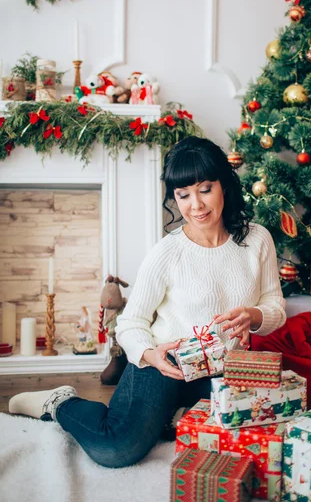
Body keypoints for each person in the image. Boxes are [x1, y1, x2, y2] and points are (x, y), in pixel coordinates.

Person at [9, 136, 286, 468]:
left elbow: (275, 306)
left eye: (205, 189)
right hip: (164, 362)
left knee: (242, 446)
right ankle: (59, 403)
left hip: (225, 370)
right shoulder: (167, 252)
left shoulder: (257, 239)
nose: (195, 205)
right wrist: (148, 354)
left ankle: (173, 418)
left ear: (224, 185)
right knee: (115, 448)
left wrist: (254, 315)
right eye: (183, 195)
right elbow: (129, 322)